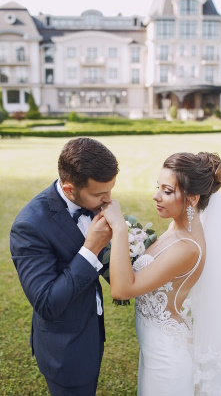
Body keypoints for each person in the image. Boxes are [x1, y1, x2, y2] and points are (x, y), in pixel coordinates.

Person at [101, 152, 221, 396]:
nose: (156, 196)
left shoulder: (187, 248)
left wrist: (120, 229)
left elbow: (122, 290)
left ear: (193, 199)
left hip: (167, 358)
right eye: (158, 187)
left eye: (167, 190)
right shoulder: (176, 228)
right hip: (154, 348)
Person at [10, 137, 118, 396]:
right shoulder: (29, 227)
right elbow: (47, 302)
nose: (108, 200)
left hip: (91, 333)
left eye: (111, 190)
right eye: (100, 194)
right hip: (64, 349)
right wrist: (91, 249)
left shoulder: (92, 201)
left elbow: (110, 270)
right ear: (69, 189)